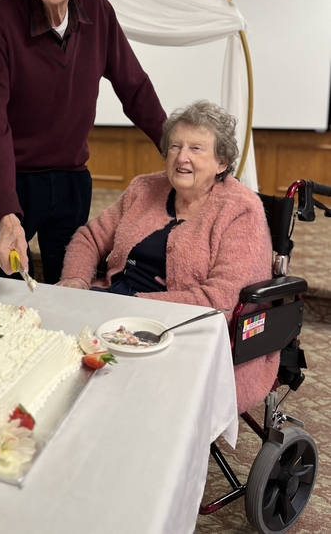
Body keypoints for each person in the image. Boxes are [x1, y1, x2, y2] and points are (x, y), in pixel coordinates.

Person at [0, 0, 166, 284]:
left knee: (73, 284)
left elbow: (134, 87)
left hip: (73, 179)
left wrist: (174, 147)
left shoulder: (97, 9)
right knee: (3, 288)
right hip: (15, 181)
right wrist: (6, 212)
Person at [58, 100, 278, 414]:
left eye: (196, 148)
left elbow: (218, 301)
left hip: (181, 330)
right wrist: (76, 278)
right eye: (175, 146)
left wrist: (131, 306)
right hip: (114, 306)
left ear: (222, 161)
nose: (181, 157)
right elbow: (90, 237)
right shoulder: (144, 188)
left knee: (106, 394)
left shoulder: (240, 210)